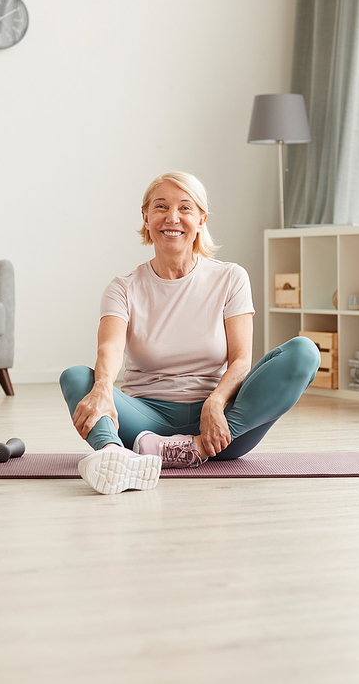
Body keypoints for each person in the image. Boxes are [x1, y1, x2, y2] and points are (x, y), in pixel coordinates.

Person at [60, 172, 320, 495]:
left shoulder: (230, 278)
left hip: (220, 426)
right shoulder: (123, 288)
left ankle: (192, 449)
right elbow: (109, 350)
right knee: (75, 378)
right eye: (161, 207)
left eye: (185, 208)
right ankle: (114, 455)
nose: (172, 218)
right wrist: (101, 387)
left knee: (304, 352)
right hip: (144, 423)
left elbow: (241, 360)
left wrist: (215, 403)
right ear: (146, 217)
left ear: (201, 220)